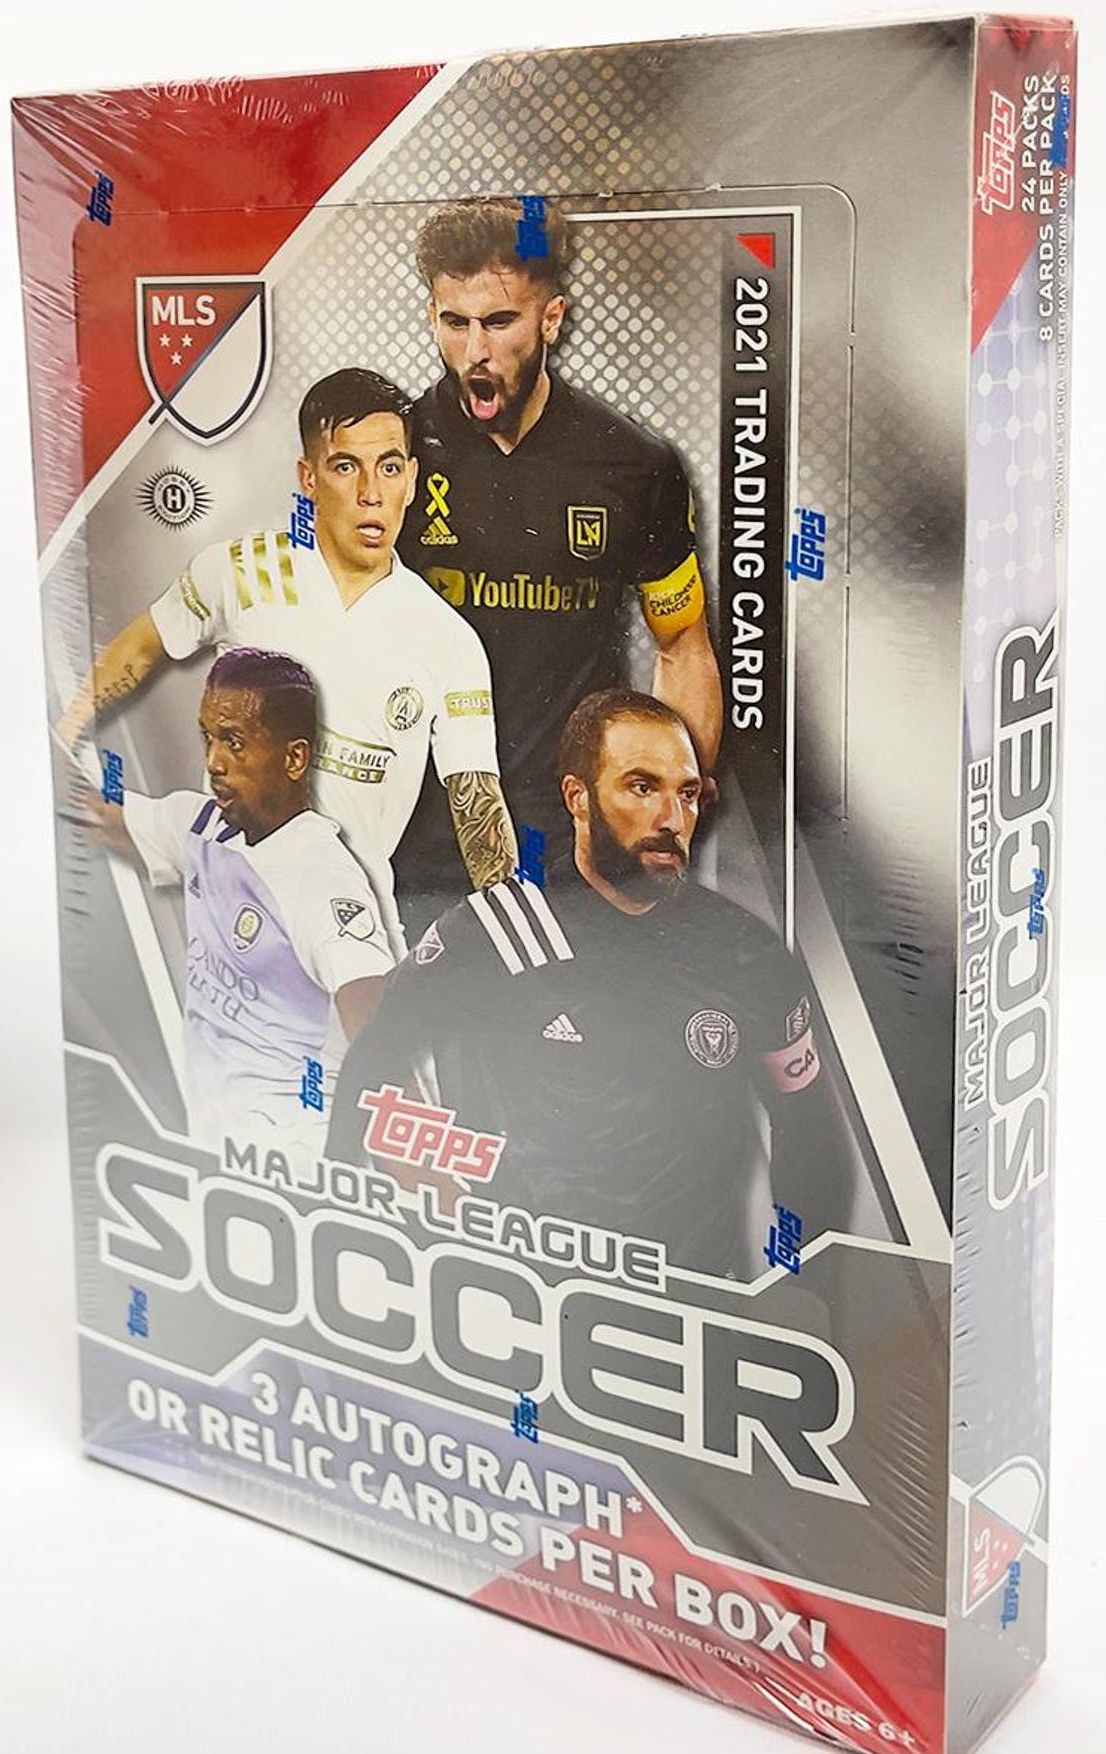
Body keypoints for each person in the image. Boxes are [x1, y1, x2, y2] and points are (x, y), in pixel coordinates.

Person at [328, 691, 845, 1278]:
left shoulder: (744, 952)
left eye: (687, 793)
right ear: (578, 797)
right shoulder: (492, 933)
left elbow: (808, 1128)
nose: (672, 820)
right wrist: (348, 1223)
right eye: (642, 787)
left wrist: (803, 1283)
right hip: (527, 1298)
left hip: (697, 1301)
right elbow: (373, 1063)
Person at [57, 368, 517, 951]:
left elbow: (477, 802)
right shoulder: (242, 571)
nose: (371, 493)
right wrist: (64, 736)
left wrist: (517, 938)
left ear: (411, 480)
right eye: (346, 466)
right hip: (228, 923)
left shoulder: (447, 639)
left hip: (354, 933)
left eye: (389, 467)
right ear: (309, 477)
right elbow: (144, 644)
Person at [396, 196, 724, 912]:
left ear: (551, 319)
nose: (475, 351)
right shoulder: (392, 455)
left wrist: (668, 820)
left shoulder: (634, 465)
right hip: (415, 833)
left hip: (576, 839)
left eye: (499, 322)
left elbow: (681, 648)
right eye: (455, 323)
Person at [84, 648, 395, 1170]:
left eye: (234, 742)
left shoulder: (324, 879)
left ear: (294, 759)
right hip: (210, 1147)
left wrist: (428, 1192)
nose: (213, 762)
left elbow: (383, 1042)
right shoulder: (203, 826)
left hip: (291, 1163)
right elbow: (96, 815)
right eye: (208, 737)